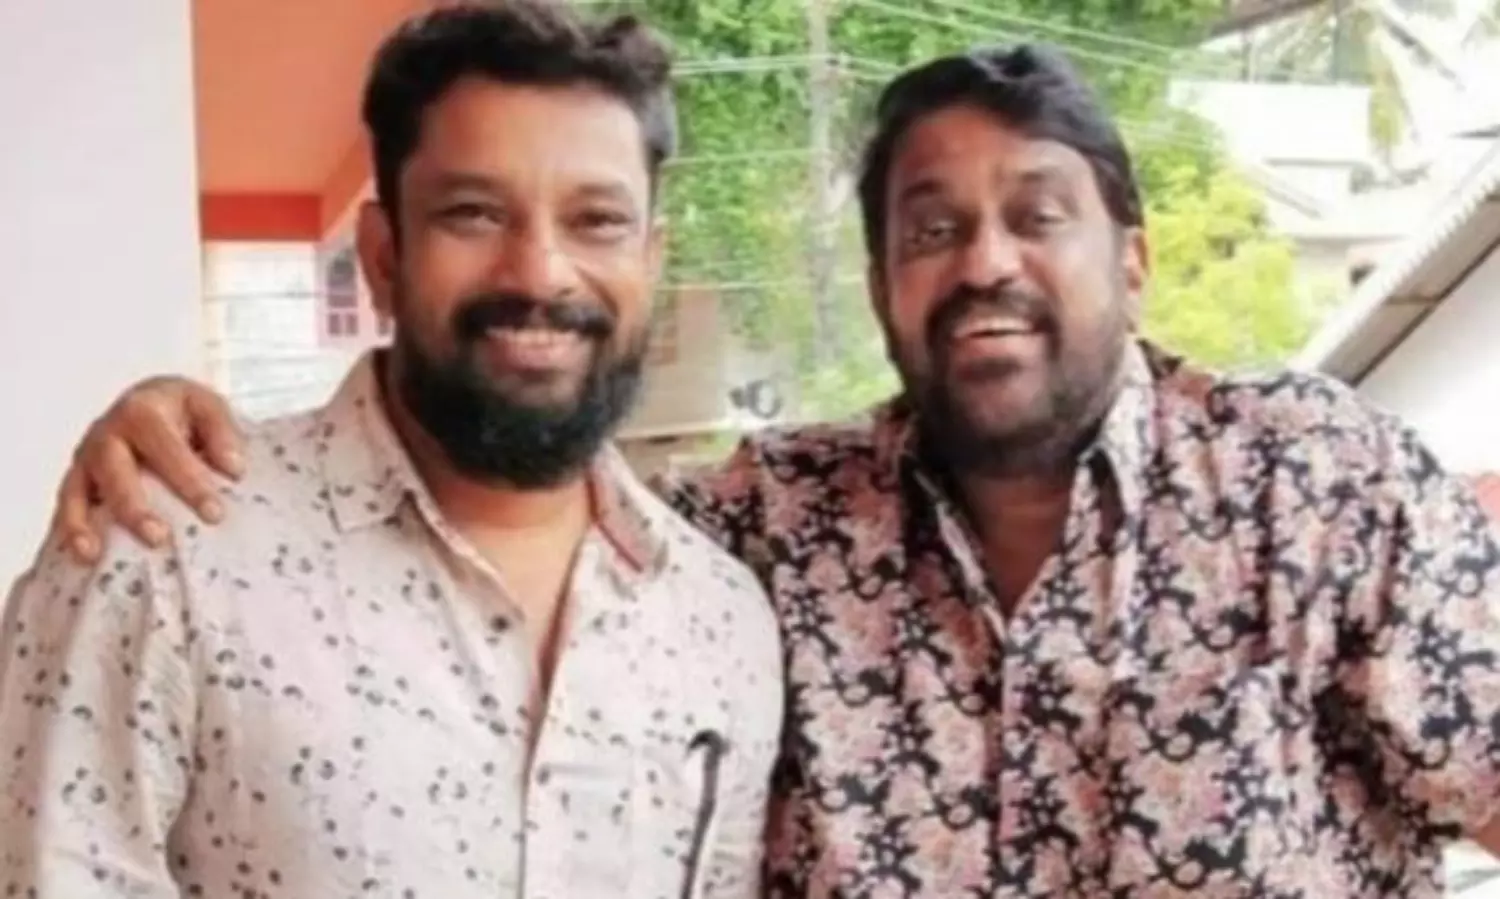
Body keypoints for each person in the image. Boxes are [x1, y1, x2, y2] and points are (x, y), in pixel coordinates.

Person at [33, 35, 1500, 898]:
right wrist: (172, 424)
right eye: (930, 227)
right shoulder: (771, 533)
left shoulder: (1320, 486)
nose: (984, 260)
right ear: (880, 284)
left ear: (1132, 254)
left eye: (1037, 214)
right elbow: (516, 478)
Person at [0, 4, 783, 897]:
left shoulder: (720, 623)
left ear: (652, 260)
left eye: (596, 221)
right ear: (382, 254)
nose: (539, 271)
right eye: (473, 213)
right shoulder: (166, 554)